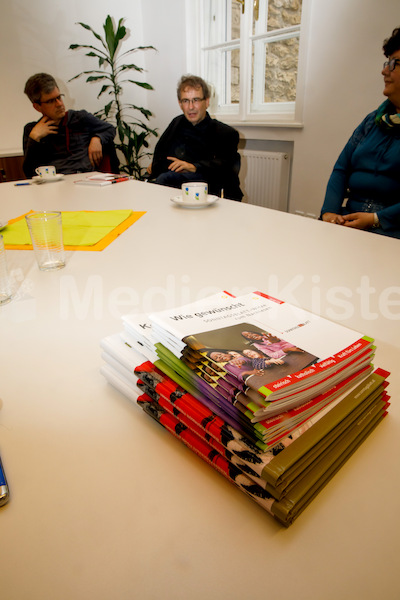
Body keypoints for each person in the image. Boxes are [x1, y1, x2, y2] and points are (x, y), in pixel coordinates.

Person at [320, 27, 400, 239]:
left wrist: (375, 219)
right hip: (349, 219)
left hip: (391, 231)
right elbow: (341, 169)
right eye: (387, 63)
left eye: (394, 64)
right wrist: (329, 213)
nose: (384, 71)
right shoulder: (371, 121)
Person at [148, 75, 243, 201]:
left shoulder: (226, 133)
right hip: (173, 190)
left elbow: (226, 168)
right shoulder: (176, 123)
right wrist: (157, 165)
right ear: (180, 104)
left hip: (207, 191)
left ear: (207, 102)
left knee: (164, 179)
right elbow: (160, 154)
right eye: (186, 101)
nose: (191, 107)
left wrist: (194, 166)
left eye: (196, 100)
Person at [22, 73, 117, 178]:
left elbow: (110, 129)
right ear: (37, 107)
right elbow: (29, 172)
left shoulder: (80, 118)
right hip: (53, 186)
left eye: (59, 97)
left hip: (84, 180)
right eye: (51, 101)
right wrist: (34, 138)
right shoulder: (32, 131)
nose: (59, 104)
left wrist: (98, 138)